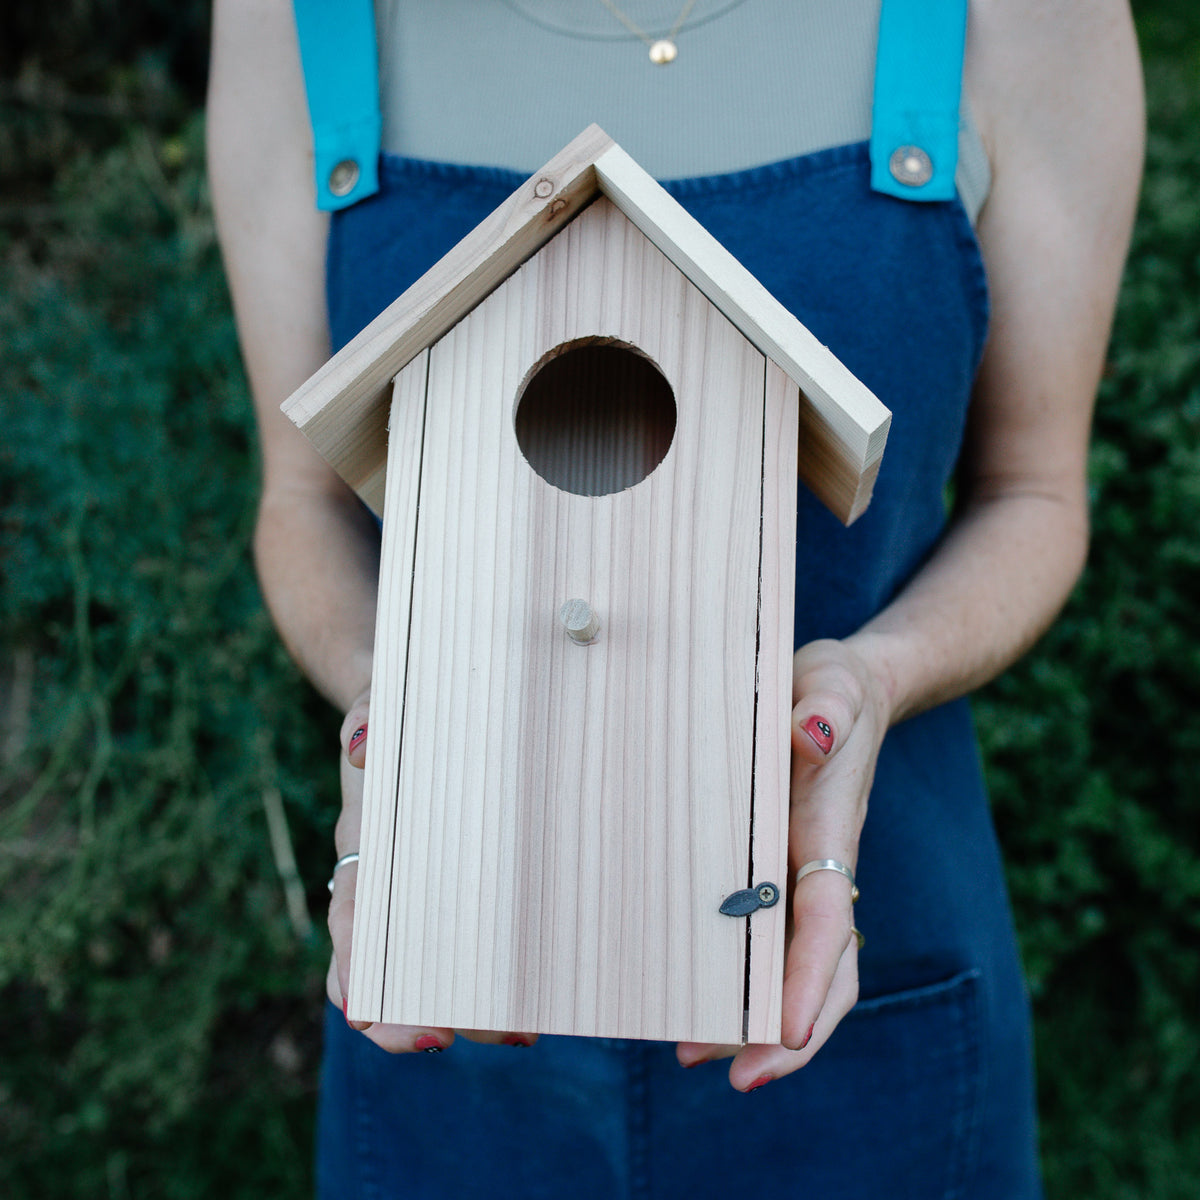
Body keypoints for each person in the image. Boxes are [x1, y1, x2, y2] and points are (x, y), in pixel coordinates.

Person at [207, 1, 1143, 1195]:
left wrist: (874, 674)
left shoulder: (1029, 19)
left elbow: (1035, 496)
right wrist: (398, 715)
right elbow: (302, 501)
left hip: (856, 955)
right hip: (459, 944)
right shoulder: (293, 17)